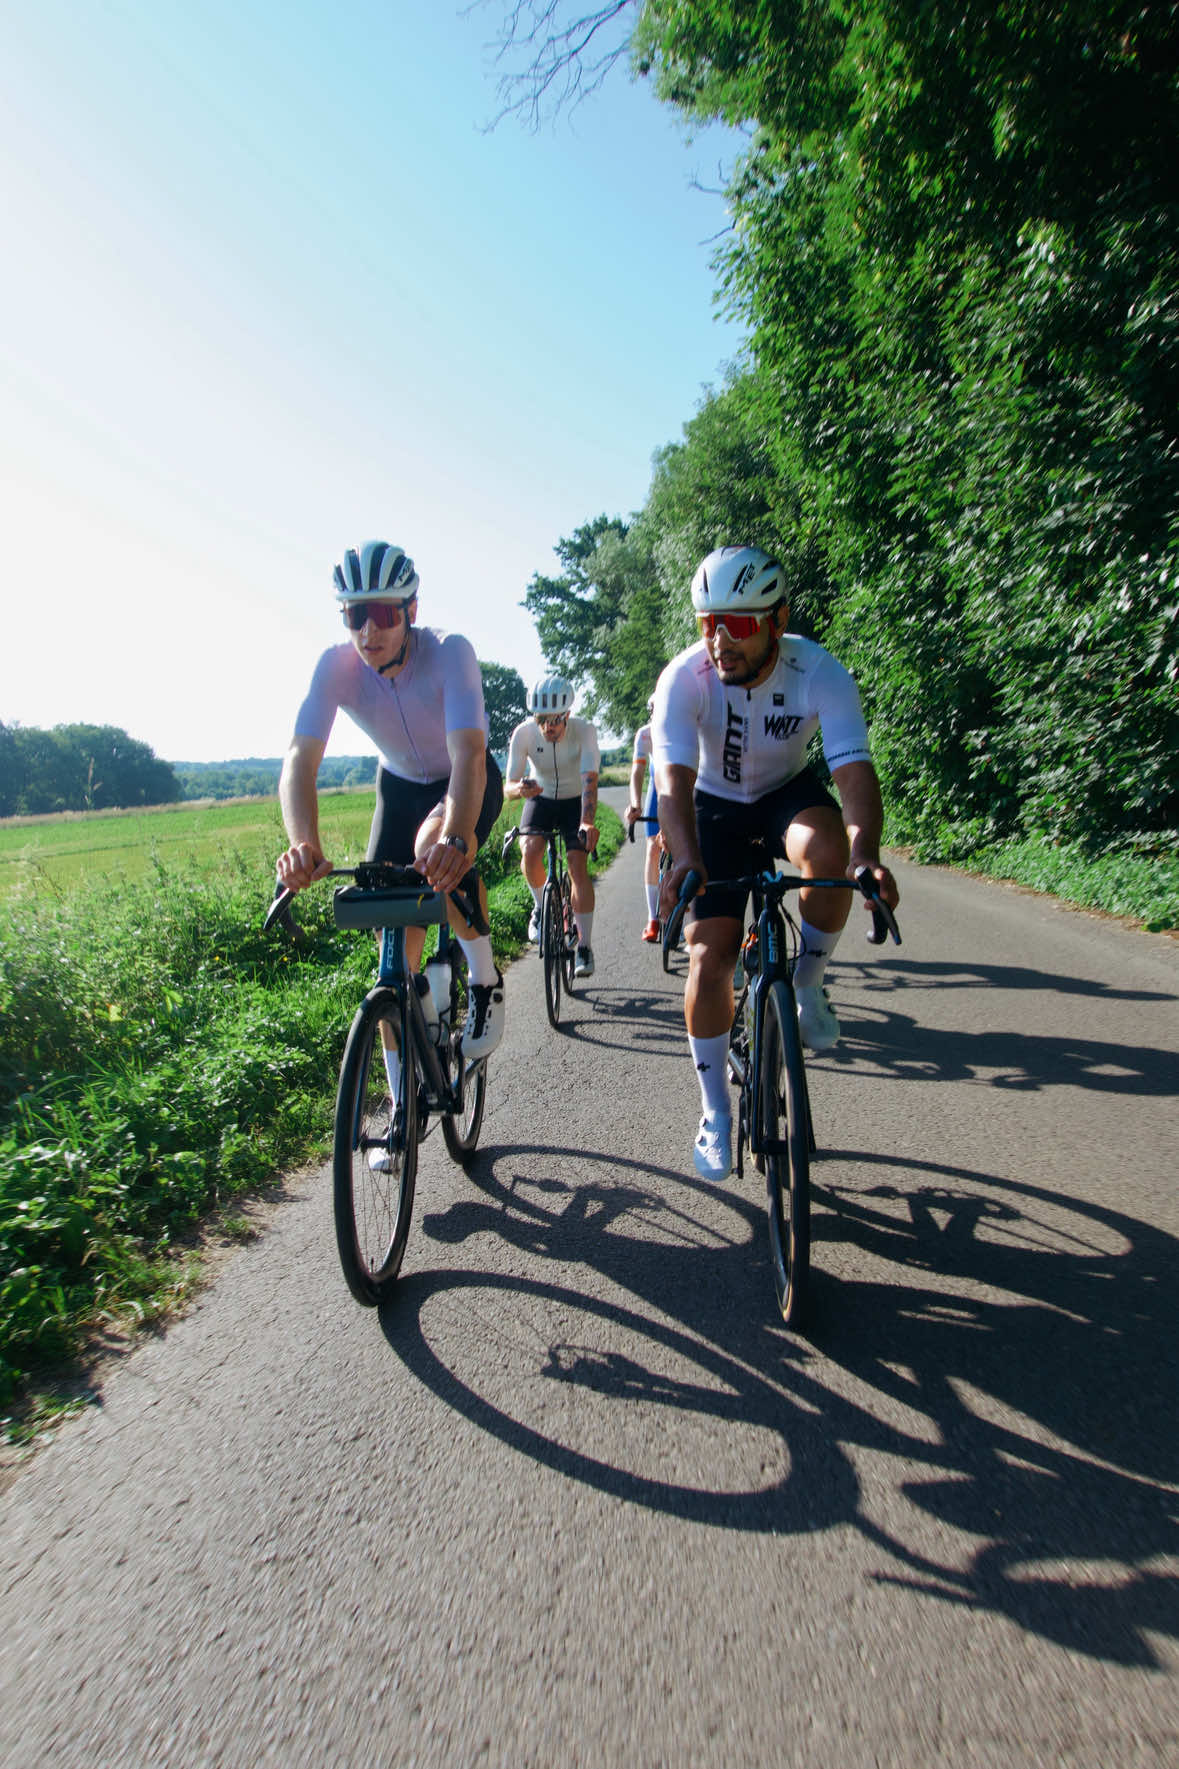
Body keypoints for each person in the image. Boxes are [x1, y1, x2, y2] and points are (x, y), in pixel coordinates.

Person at [653, 544, 899, 1183]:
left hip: (784, 796)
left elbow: (851, 770)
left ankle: (809, 983)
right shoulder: (684, 679)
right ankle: (713, 1112)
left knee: (828, 856)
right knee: (710, 959)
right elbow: (673, 782)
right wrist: (682, 858)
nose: (719, 640)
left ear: (777, 619)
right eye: (708, 623)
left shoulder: (817, 669)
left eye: (737, 624)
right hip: (710, 805)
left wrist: (866, 853)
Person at [275, 539, 506, 1066]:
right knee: (391, 955)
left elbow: (469, 753)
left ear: (411, 611)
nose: (368, 631)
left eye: (382, 614)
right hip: (399, 784)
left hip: (464, 776)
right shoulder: (335, 667)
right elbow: (299, 760)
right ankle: (402, 1113)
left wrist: (455, 835)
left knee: (434, 851)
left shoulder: (450, 651)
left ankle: (486, 981)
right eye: (356, 615)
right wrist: (303, 843)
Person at [504, 674, 600, 977]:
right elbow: (507, 787)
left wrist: (587, 822)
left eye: (556, 719)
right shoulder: (523, 734)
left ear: (568, 714)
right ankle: (540, 908)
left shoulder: (585, 731)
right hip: (541, 798)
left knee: (576, 864)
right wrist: (521, 789)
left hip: (575, 802)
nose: (549, 727)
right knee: (529, 851)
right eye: (542, 719)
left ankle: (584, 945)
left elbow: (590, 780)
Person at [625, 697, 663, 942]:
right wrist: (635, 803)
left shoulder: (689, 726)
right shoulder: (646, 734)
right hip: (657, 791)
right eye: (653, 712)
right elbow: (637, 772)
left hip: (686, 790)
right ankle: (653, 918)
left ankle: (691, 915)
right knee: (652, 848)